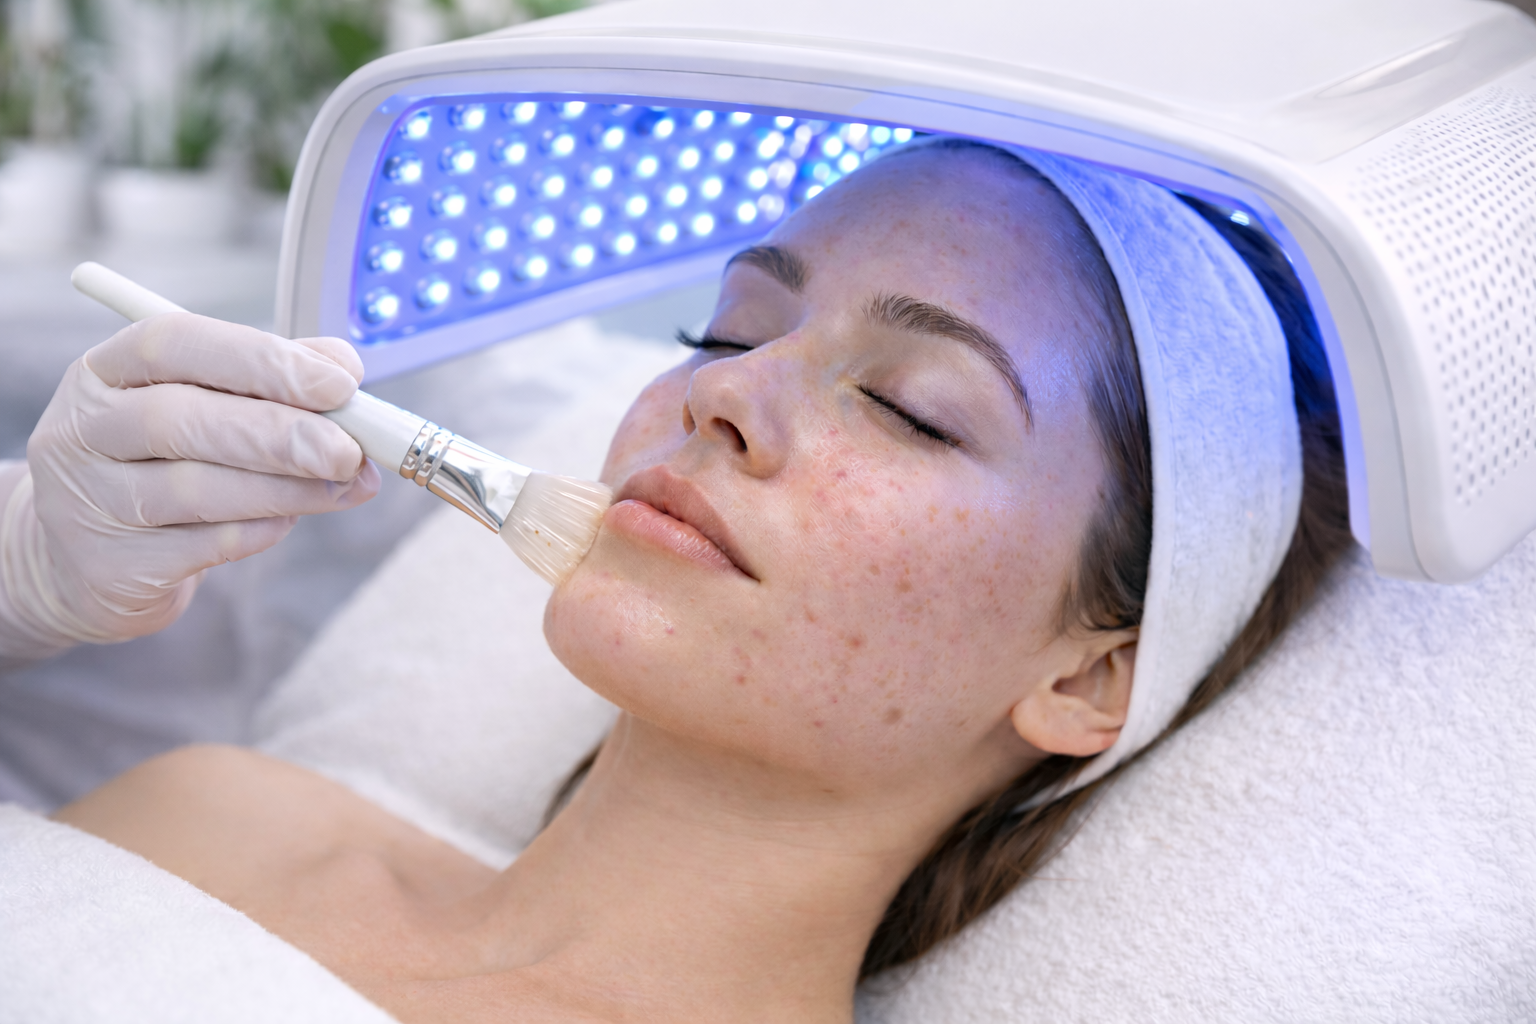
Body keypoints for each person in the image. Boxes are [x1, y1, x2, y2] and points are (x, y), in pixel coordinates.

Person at [1, 138, 1349, 1023]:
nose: (723, 392)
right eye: (728, 328)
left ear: (1092, 674)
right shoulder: (210, 815)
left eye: (909, 407)